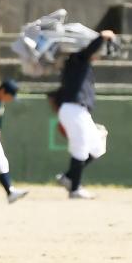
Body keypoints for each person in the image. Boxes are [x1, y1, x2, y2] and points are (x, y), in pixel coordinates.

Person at [50, 26, 116, 200]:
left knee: (97, 147)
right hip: (73, 109)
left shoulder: (80, 65)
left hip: (79, 110)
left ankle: (69, 177)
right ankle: (75, 189)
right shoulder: (76, 60)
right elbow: (88, 51)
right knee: (81, 147)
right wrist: (102, 37)